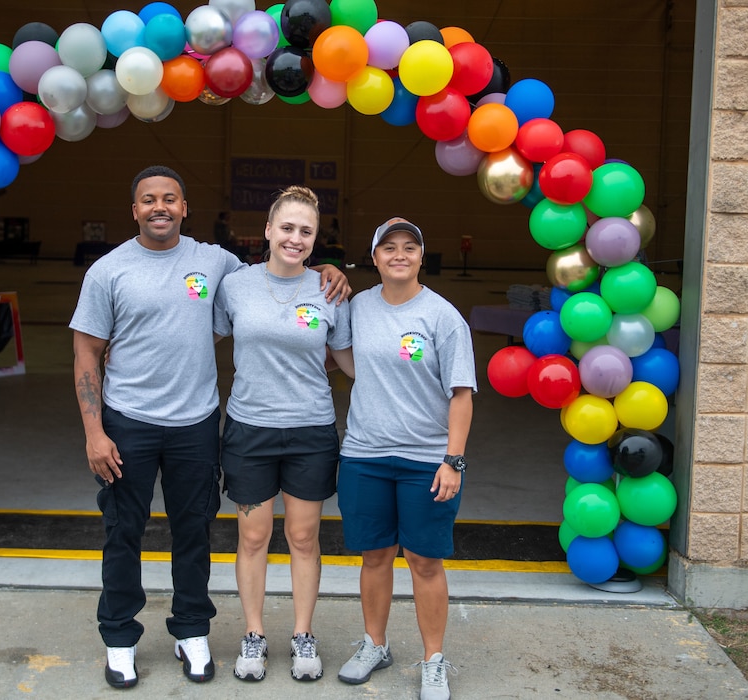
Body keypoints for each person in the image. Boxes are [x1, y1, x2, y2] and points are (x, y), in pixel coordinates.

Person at [69, 165, 350, 690]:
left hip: (196, 422)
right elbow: (86, 351)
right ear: (134, 209)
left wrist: (328, 268)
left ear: (185, 207)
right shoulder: (108, 270)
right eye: (148, 199)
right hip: (126, 421)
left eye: (170, 198)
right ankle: (120, 637)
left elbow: (277, 271)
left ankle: (191, 629)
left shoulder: (215, 262)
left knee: (194, 529)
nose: (160, 207)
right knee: (122, 532)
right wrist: (93, 430)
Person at [212, 186, 352, 683]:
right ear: (268, 231)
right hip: (249, 429)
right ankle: (253, 635)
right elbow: (199, 339)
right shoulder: (235, 286)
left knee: (302, 536)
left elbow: (351, 362)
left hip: (311, 431)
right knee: (253, 536)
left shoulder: (330, 290)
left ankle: (302, 634)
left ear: (316, 240)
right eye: (287, 228)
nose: (295, 238)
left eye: (306, 231)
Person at [334, 217, 476, 700]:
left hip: (425, 459)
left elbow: (461, 394)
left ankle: (433, 659)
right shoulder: (358, 307)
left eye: (409, 247)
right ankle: (375, 644)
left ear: (421, 256)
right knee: (375, 555)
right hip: (364, 454)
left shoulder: (442, 316)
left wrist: (452, 461)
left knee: (424, 560)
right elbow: (348, 359)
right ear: (374, 257)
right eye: (388, 247)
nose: (399, 254)